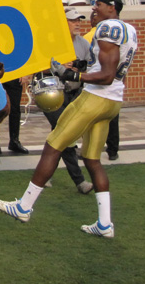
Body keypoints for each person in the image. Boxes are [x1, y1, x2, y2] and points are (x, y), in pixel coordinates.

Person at [0, 0, 137, 238]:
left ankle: (24, 206)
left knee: (53, 145)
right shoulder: (128, 29)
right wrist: (80, 68)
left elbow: (106, 75)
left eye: (99, 5)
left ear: (112, 7)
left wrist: (71, 76)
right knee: (92, 159)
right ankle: (105, 224)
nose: (94, 8)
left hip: (96, 98)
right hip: (113, 101)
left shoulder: (108, 28)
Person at [43, 10, 94, 194]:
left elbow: (90, 66)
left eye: (78, 20)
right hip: (54, 92)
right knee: (65, 133)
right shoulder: (52, 41)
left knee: (57, 136)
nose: (77, 23)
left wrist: (79, 68)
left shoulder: (83, 44)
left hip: (74, 92)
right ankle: (79, 181)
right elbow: (41, 66)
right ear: (63, 23)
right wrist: (58, 68)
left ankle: (44, 175)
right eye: (72, 20)